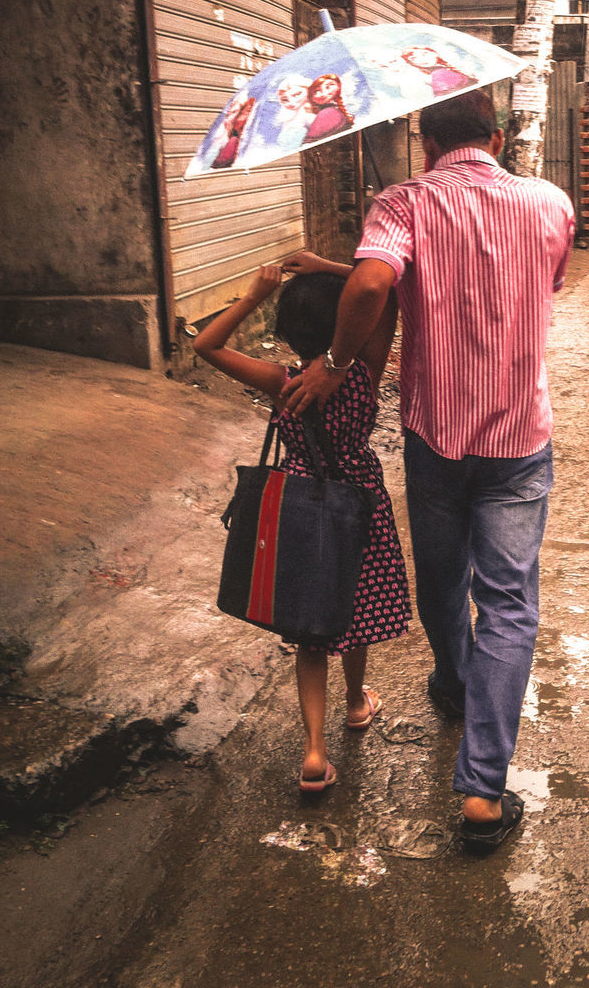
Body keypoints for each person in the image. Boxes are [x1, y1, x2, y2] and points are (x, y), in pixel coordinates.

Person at [283, 90, 575, 852]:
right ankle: (482, 793)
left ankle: (452, 678)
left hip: (437, 435)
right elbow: (543, 286)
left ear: (424, 143)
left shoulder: (401, 202)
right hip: (518, 435)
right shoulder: (549, 201)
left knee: (444, 579)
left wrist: (339, 363)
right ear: (498, 137)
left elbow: (377, 282)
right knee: (509, 604)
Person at [192, 255, 409, 794]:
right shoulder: (360, 373)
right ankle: (357, 703)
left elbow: (205, 347)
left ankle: (314, 752)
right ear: (341, 325)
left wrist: (255, 294)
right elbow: (390, 293)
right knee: (355, 610)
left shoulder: (281, 381)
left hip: (300, 508)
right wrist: (329, 266)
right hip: (358, 503)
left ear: (288, 333)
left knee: (312, 631)